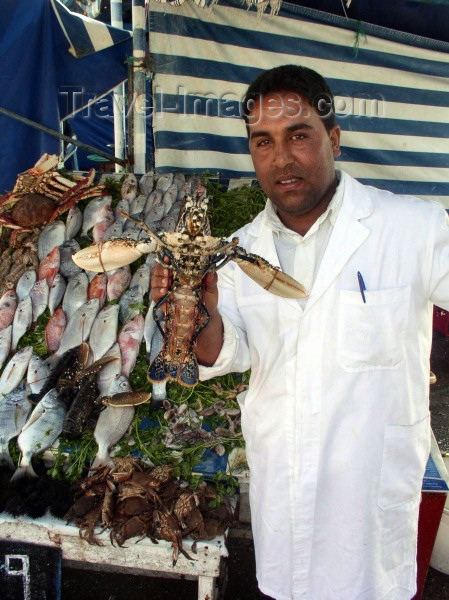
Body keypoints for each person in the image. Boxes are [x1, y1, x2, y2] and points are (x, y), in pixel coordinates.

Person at [151, 64, 449, 599]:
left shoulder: (416, 228)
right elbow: (223, 353)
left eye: (299, 136)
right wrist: (195, 311)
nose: (281, 158)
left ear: (333, 138)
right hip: (285, 491)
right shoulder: (239, 249)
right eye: (262, 142)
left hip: (370, 500)